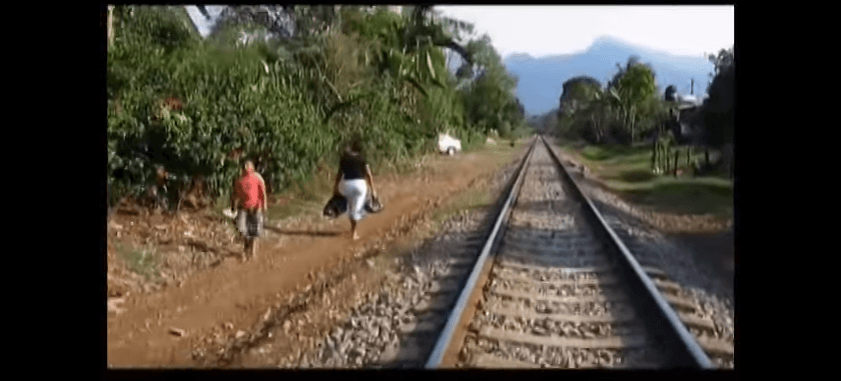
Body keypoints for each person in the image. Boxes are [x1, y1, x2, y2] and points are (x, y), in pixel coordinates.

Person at [334, 138, 377, 240]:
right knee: (356, 207)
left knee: (350, 206)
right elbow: (369, 175)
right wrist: (373, 190)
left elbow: (339, 175)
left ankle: (352, 222)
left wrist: (335, 188)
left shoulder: (344, 159)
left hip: (346, 184)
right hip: (359, 185)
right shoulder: (362, 159)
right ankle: (354, 233)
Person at [231, 159, 267, 261]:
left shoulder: (258, 178)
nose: (247, 168)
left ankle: (253, 252)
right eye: (245, 167)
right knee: (242, 229)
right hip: (243, 207)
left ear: (252, 168)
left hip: (256, 207)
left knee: (255, 230)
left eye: (248, 166)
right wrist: (233, 205)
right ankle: (246, 249)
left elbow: (263, 193)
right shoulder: (239, 180)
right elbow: (235, 194)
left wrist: (264, 206)